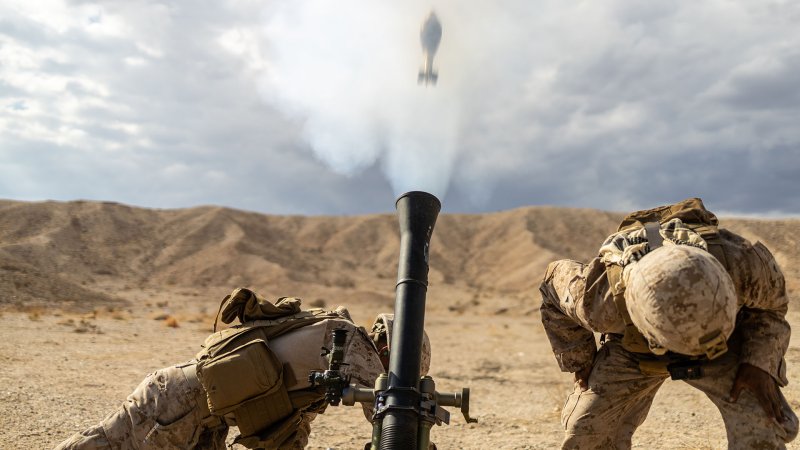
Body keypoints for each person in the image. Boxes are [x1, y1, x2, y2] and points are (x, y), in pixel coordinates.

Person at [539, 198, 798, 449]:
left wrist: (759, 362)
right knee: (586, 432)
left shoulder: (742, 263)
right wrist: (580, 363)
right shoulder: (597, 301)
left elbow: (772, 308)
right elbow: (552, 282)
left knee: (765, 423)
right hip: (634, 349)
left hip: (726, 347)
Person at [55, 287, 431, 450]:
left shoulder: (334, 353)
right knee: (102, 445)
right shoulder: (351, 343)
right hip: (177, 403)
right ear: (391, 349)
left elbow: (295, 421)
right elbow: (392, 416)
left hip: (203, 412)